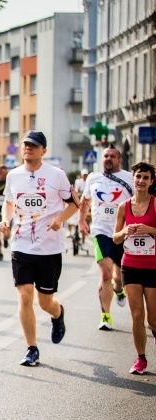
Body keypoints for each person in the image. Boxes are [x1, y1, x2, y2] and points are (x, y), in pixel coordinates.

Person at [0, 131, 78, 366]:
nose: (28, 149)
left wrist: (60, 219)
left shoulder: (57, 175)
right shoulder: (13, 176)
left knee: (45, 302)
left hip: (49, 249)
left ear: (43, 150)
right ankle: (31, 348)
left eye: (33, 145)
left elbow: (75, 204)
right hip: (21, 245)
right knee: (24, 297)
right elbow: (9, 202)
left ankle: (57, 313)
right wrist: (6, 220)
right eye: (25, 145)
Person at [79, 146, 133, 331]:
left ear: (119, 160)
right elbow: (85, 201)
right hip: (100, 231)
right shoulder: (93, 178)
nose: (108, 159)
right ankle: (105, 315)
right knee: (105, 273)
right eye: (106, 156)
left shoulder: (129, 178)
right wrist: (81, 221)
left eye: (112, 156)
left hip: (123, 233)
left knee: (119, 277)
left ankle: (118, 289)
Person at [112, 161, 156, 374]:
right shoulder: (124, 206)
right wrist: (125, 232)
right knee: (137, 315)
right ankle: (141, 359)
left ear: (151, 181)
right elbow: (115, 238)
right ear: (133, 178)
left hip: (153, 266)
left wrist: (149, 229)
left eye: (146, 177)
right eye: (138, 176)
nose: (141, 181)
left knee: (152, 319)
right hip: (130, 265)